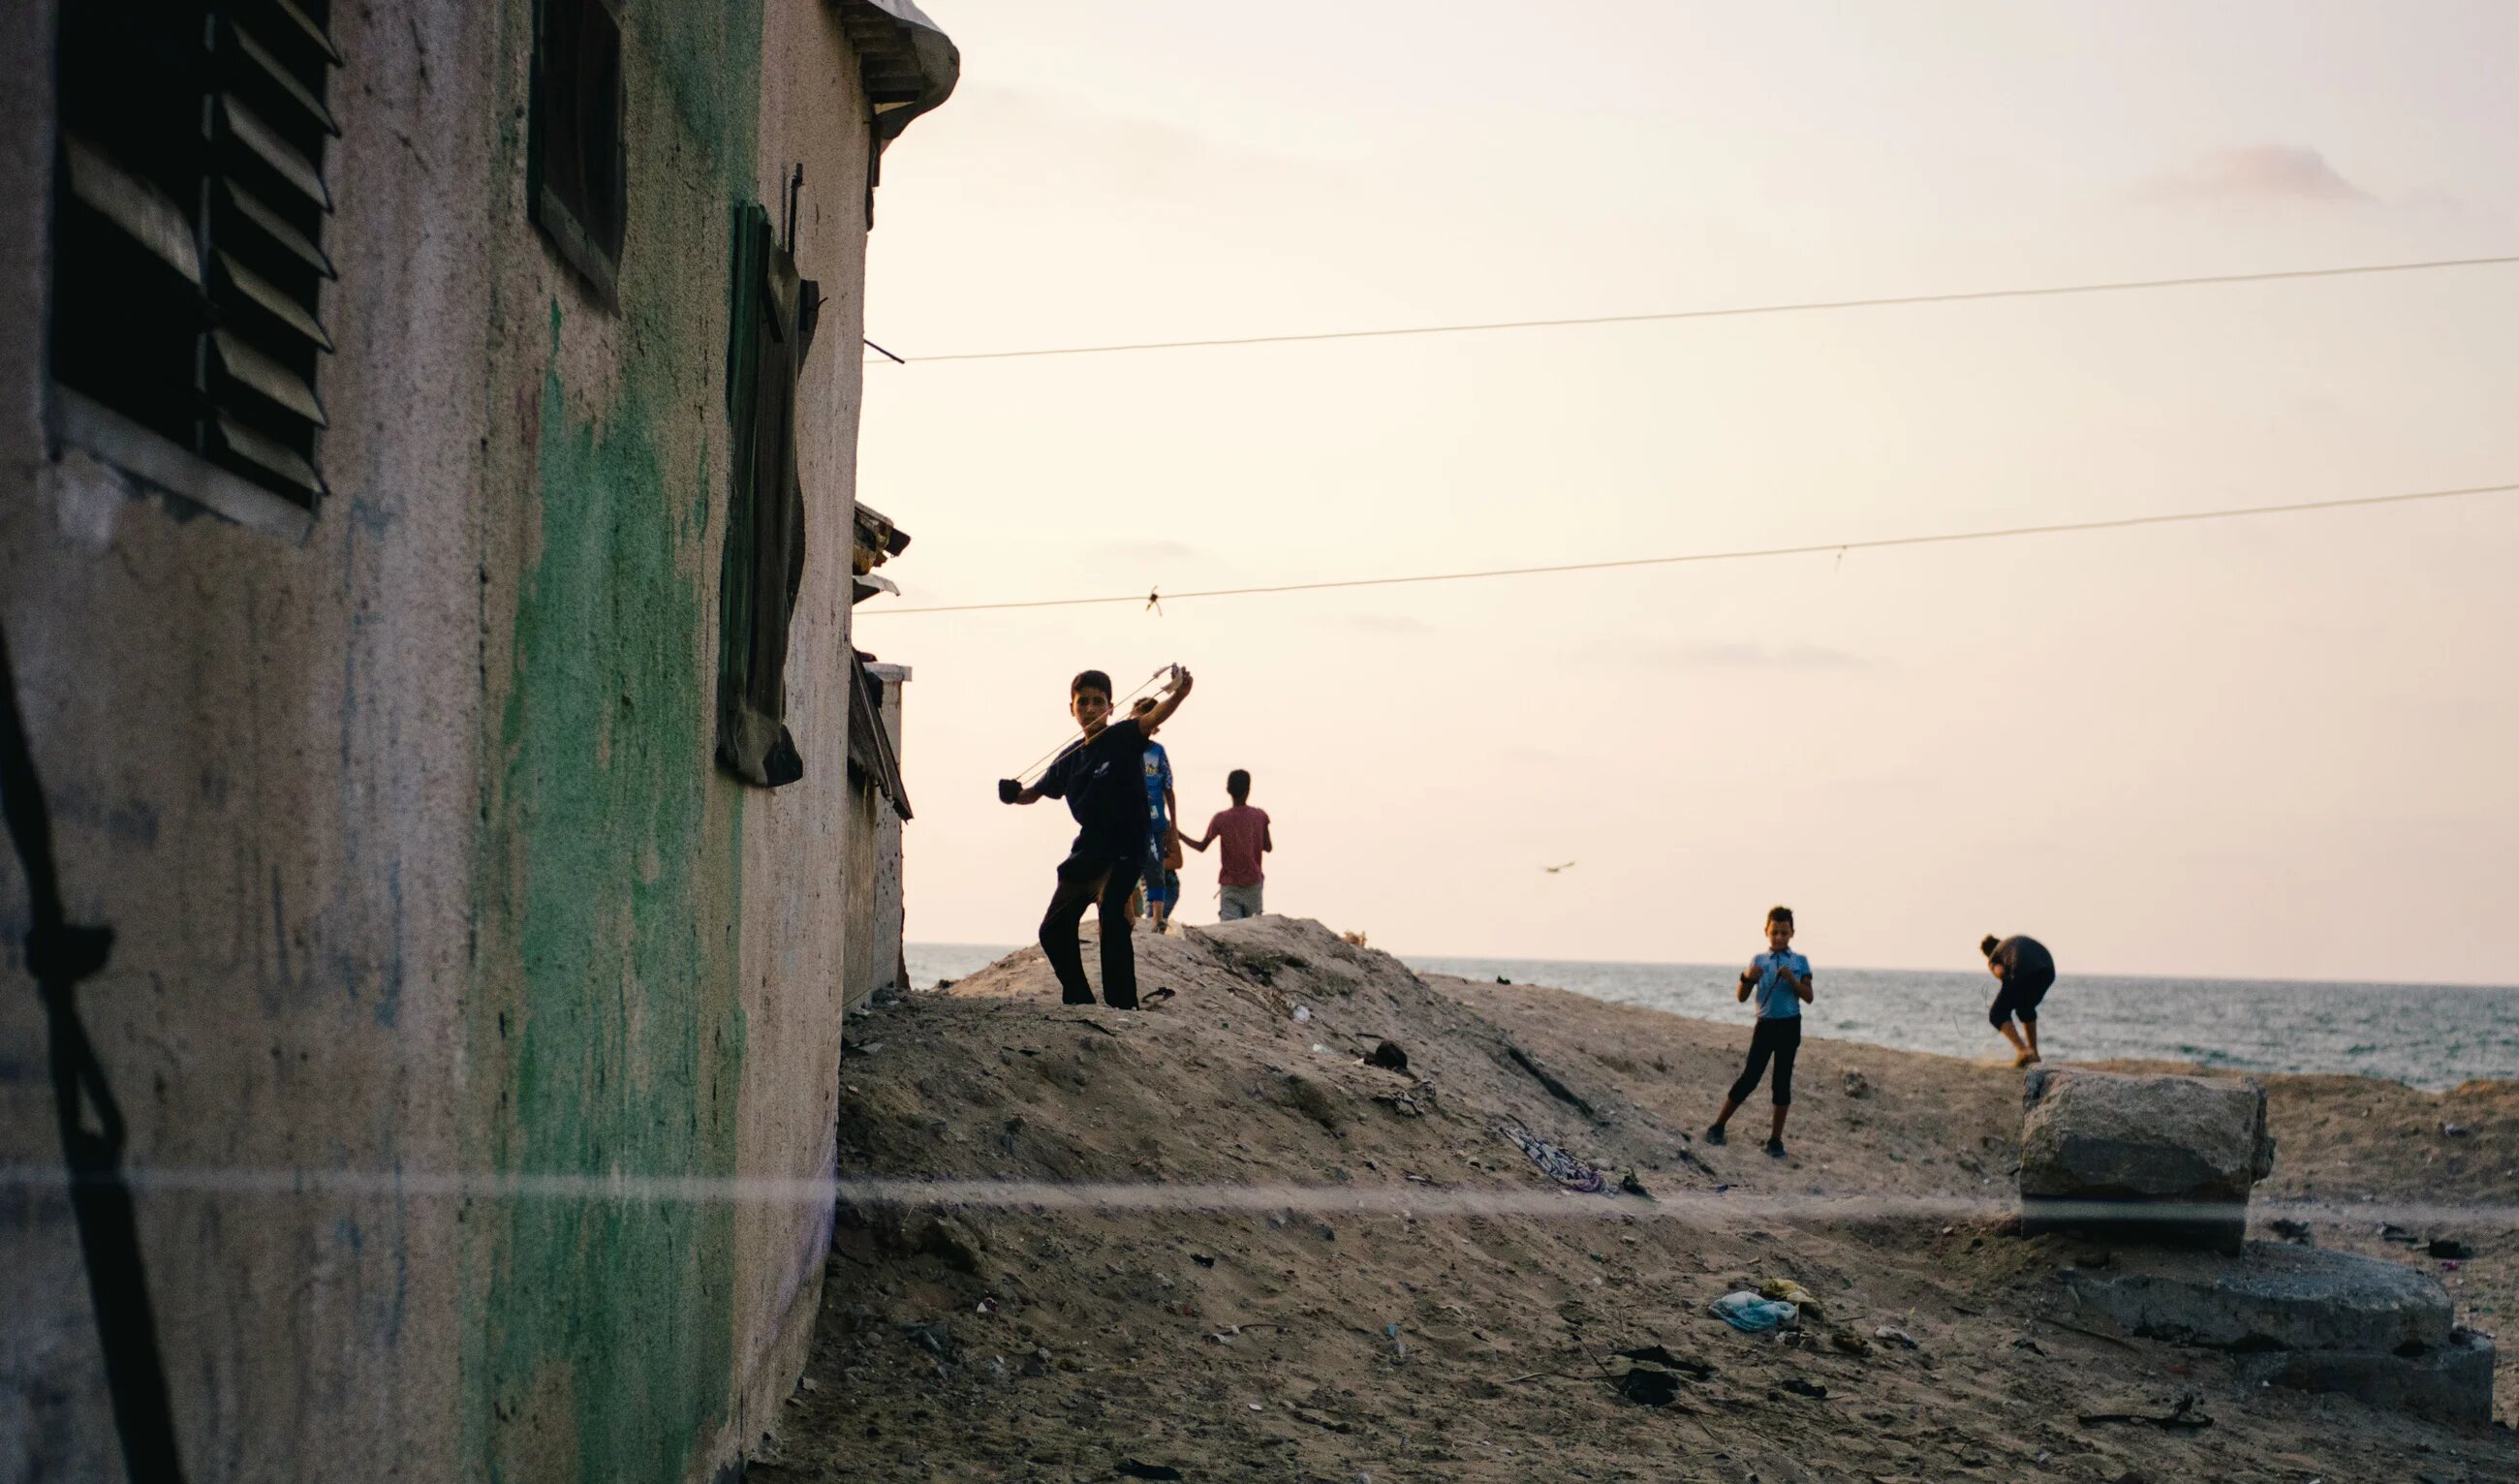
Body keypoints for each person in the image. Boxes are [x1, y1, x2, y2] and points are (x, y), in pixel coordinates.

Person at [1000, 665, 1194, 1008]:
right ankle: (1080, 998)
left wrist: (1179, 694)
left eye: (1098, 701)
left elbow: (1153, 717)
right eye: (1083, 702)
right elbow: (1034, 793)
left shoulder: (1123, 736)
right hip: (1089, 850)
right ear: (1072, 708)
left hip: (1125, 848)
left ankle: (1122, 1004)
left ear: (1110, 707)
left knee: (1113, 917)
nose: (1090, 708)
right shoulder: (1070, 759)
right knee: (1052, 930)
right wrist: (1013, 795)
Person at [1705, 906, 1813, 1159]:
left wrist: (1792, 980)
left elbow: (1808, 997)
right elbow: (1742, 997)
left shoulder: (1799, 962)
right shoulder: (1758, 960)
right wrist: (1746, 977)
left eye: (1784, 932)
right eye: (1774, 932)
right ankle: (1718, 1125)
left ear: (1792, 933)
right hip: (1765, 1026)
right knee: (1750, 1077)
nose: (1779, 937)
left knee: (1782, 1082)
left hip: (1789, 1026)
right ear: (1766, 931)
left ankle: (1775, 1140)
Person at [1183, 768, 1270, 921]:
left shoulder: (1220, 819)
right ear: (1248, 790)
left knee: (1230, 929)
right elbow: (1268, 847)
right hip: (1253, 883)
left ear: (1228, 790)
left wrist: (1179, 835)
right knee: (1253, 928)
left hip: (1230, 884)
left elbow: (1201, 847)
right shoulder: (1260, 816)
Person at [1128, 696, 1184, 935]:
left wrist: (1174, 826)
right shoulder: (1124, 750)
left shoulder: (1157, 752)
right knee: (1124, 867)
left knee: (1155, 868)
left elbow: (1169, 789)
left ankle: (1157, 919)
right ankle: (1127, 916)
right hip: (1129, 818)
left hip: (1155, 818)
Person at [1981, 932, 2056, 1067]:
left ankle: (2024, 1051)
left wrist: (2001, 979)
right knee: (2025, 1007)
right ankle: (2034, 1053)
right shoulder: (2010, 943)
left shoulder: (1995, 956)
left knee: (1997, 1014)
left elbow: (2001, 972)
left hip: (2022, 969)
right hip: (2048, 970)